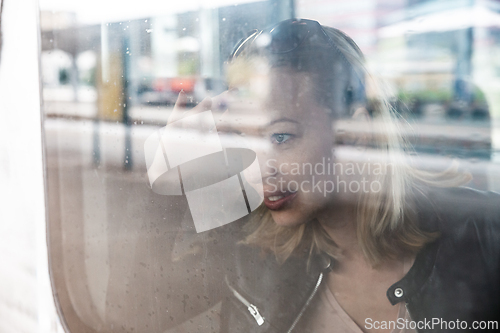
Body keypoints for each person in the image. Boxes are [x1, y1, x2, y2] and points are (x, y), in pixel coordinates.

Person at [107, 19, 500, 333]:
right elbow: (127, 310)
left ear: (353, 132)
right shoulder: (252, 245)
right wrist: (165, 181)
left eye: (281, 136)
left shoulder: (482, 235)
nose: (260, 168)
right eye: (244, 141)